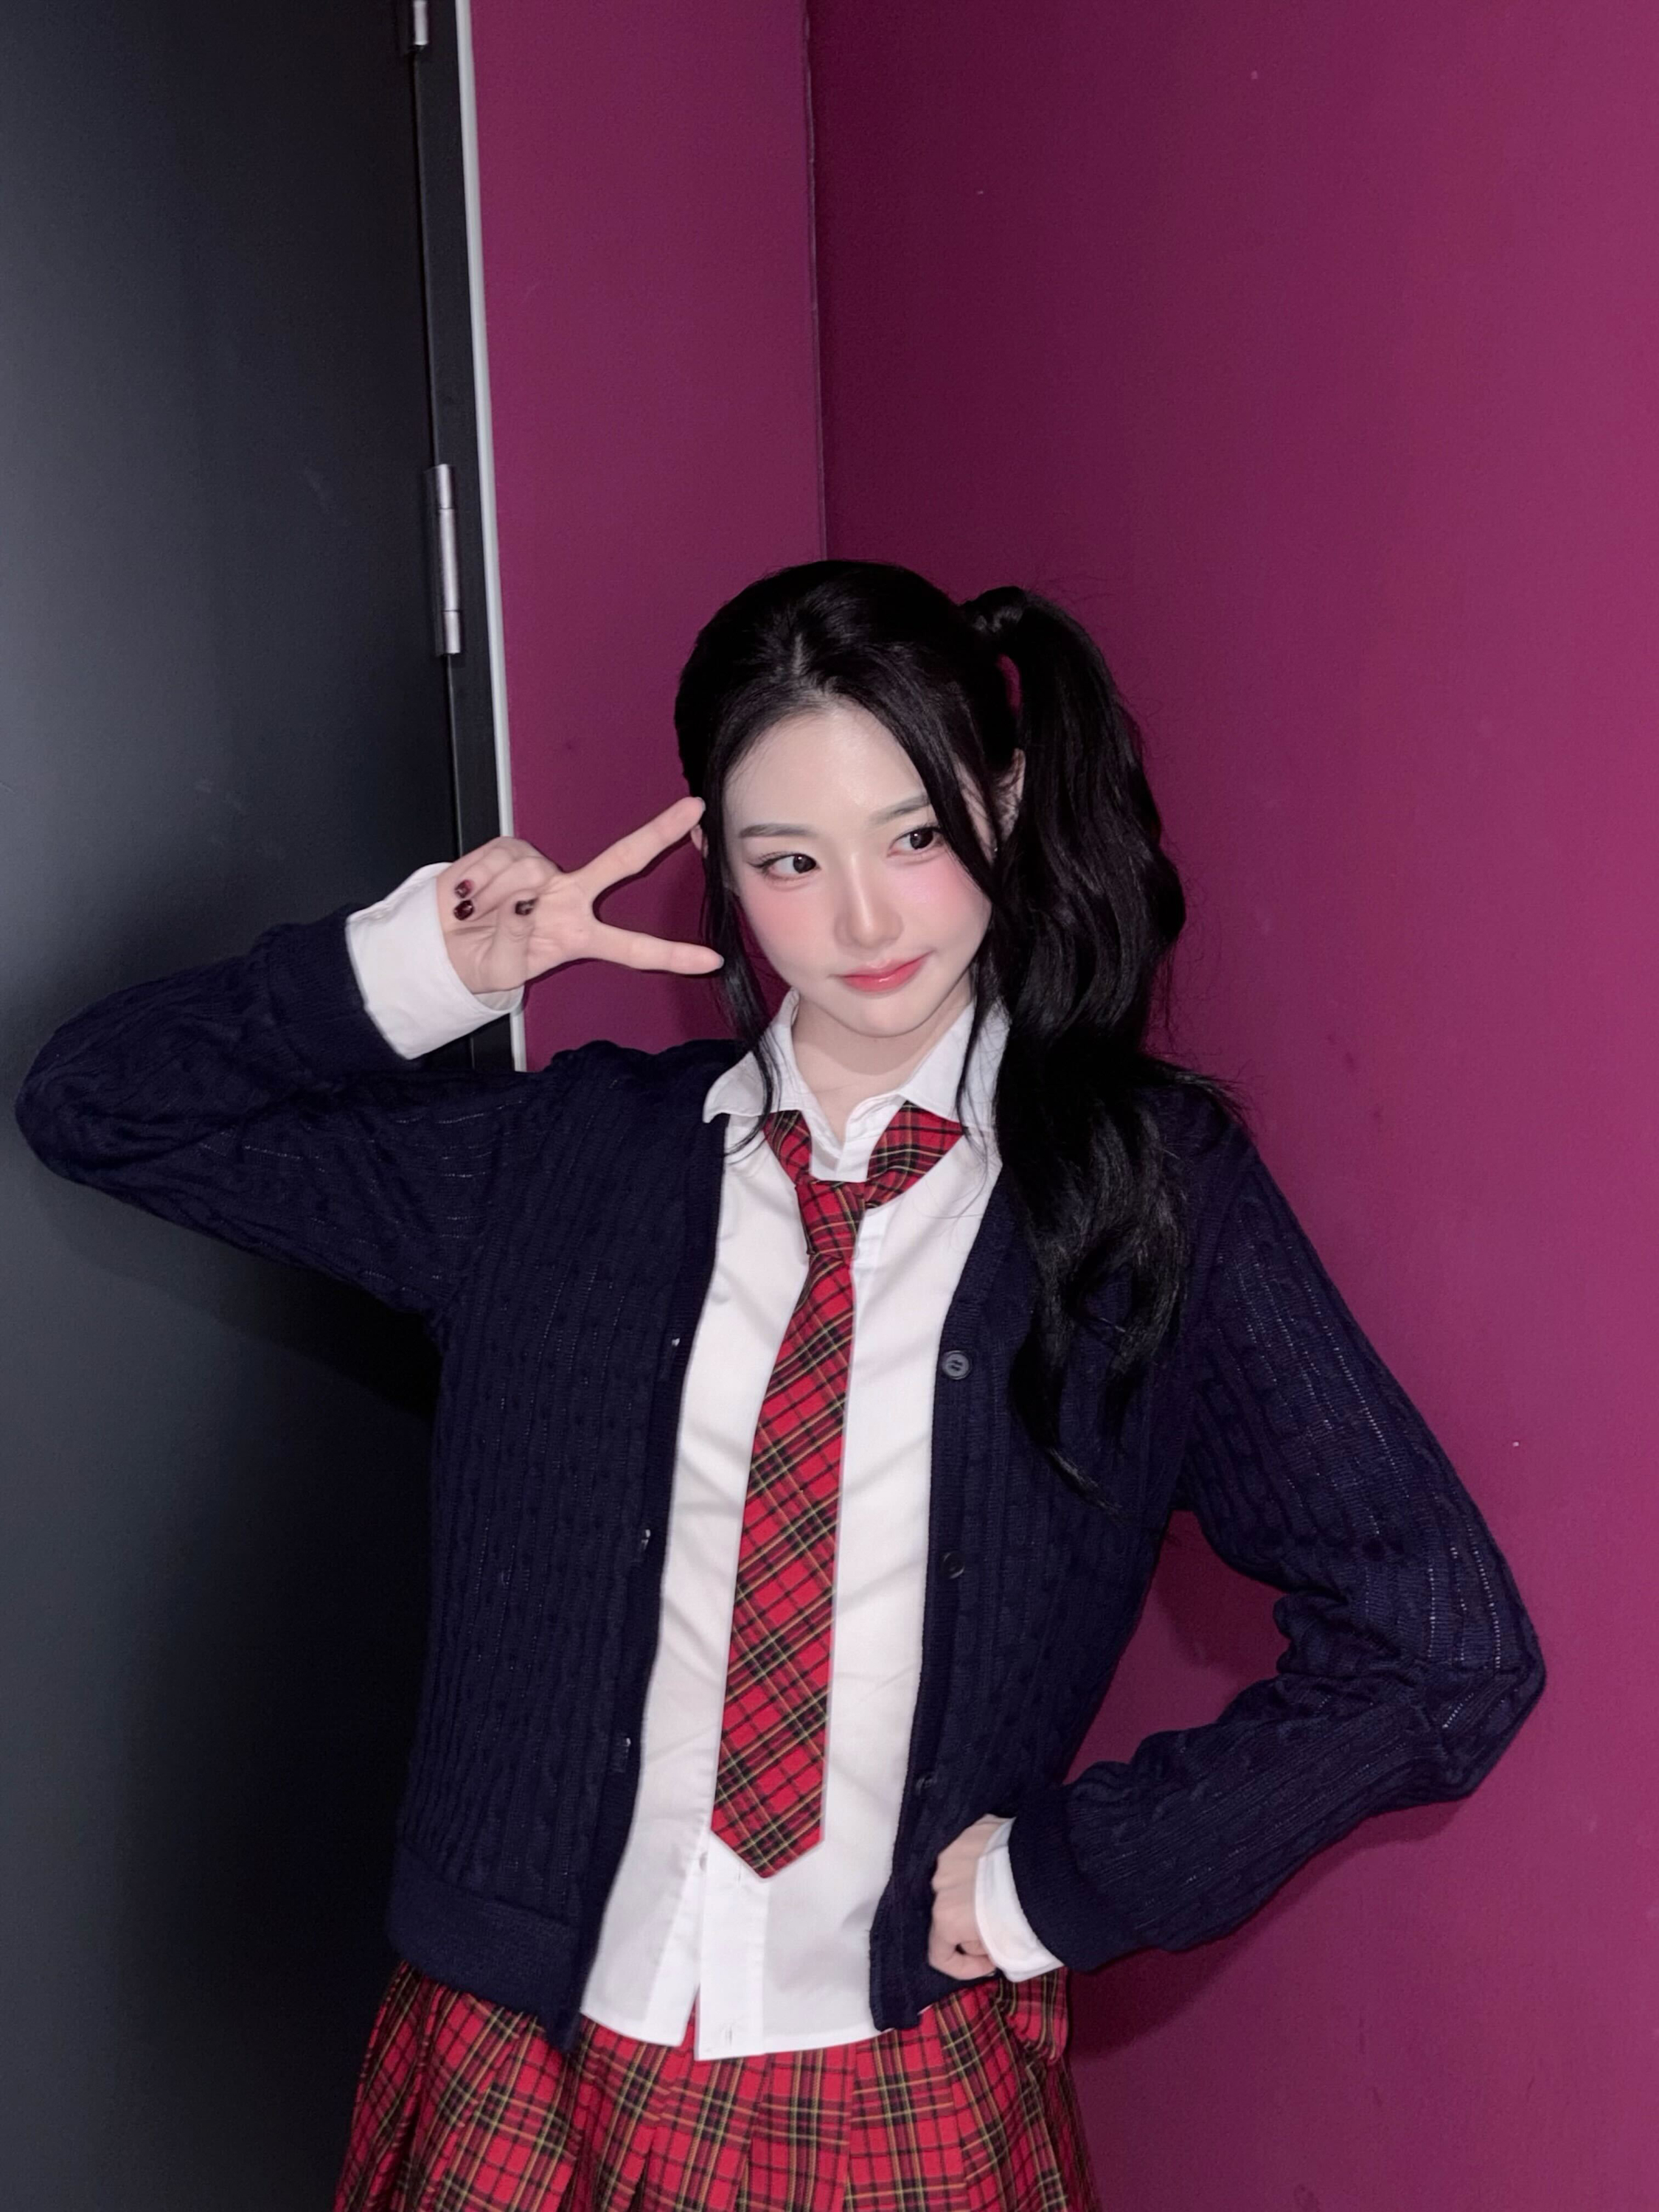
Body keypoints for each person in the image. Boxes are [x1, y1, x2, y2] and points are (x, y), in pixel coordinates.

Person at [15, 560, 1543, 2211]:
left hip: (895, 2078)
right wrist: (434, 967)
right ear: (723, 867)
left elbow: (1443, 1642)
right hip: (517, 2066)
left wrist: (1071, 1882)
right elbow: (102, 1106)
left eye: (914, 835)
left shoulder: (1148, 1197)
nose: (866, 923)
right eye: (790, 860)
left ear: (1005, 800)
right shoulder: (560, 1165)